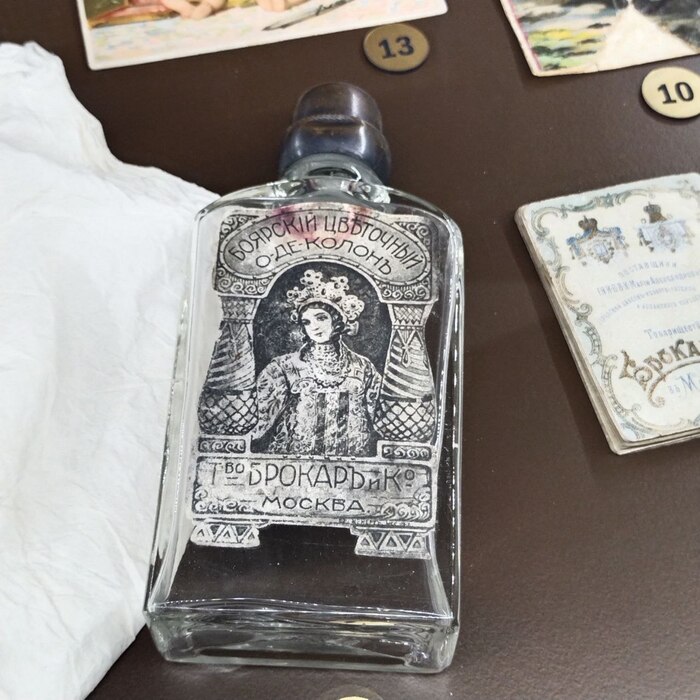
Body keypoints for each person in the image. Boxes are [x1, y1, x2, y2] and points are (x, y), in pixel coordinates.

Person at [252, 270, 382, 457]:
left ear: (337, 321)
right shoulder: (284, 367)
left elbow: (381, 419)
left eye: (321, 318)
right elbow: (259, 421)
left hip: (352, 467)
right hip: (293, 466)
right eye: (306, 322)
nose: (314, 327)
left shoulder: (363, 367)